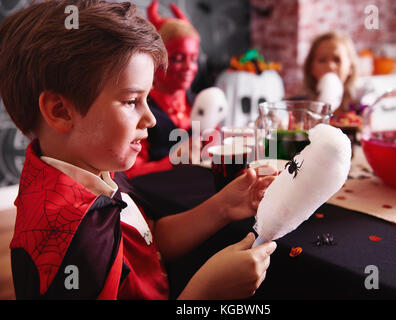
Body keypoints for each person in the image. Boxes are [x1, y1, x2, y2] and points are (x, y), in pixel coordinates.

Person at [0, 0, 276, 300]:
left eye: (148, 98)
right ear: (61, 112)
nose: (151, 118)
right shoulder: (75, 238)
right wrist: (204, 293)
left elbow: (144, 240)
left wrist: (222, 207)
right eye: (132, 101)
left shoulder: (92, 166)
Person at [125, 0, 201, 178]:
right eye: (178, 58)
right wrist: (172, 161)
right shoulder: (138, 110)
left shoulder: (198, 102)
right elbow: (129, 173)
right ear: (155, 60)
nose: (189, 67)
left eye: (194, 58)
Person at [297, 31, 358, 116]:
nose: (330, 66)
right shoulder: (297, 108)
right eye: (322, 60)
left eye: (337, 60)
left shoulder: (359, 107)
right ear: (311, 68)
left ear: (350, 67)